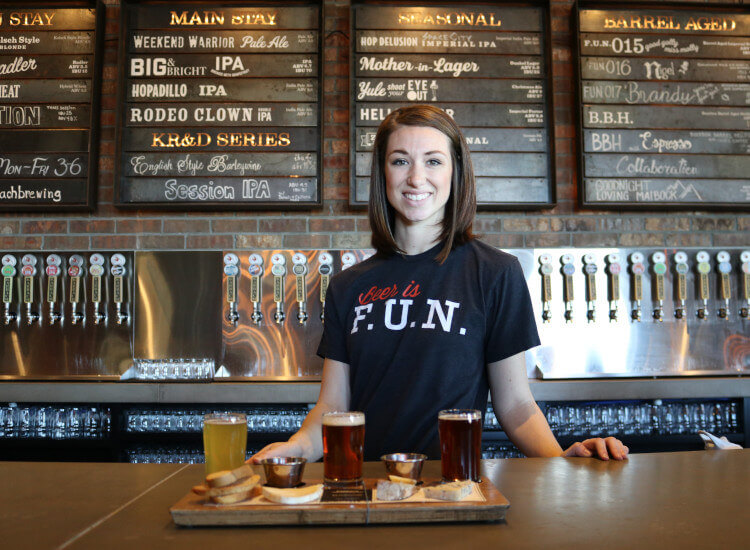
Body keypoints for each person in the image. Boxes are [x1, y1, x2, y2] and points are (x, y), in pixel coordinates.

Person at [252, 104, 628, 464]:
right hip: (367, 488)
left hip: (454, 486)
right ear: (383, 173)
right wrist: (295, 448)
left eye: (433, 161)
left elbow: (515, 405)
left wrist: (560, 459)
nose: (416, 178)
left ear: (455, 172)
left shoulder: (496, 273)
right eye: (400, 161)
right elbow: (333, 407)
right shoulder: (348, 286)